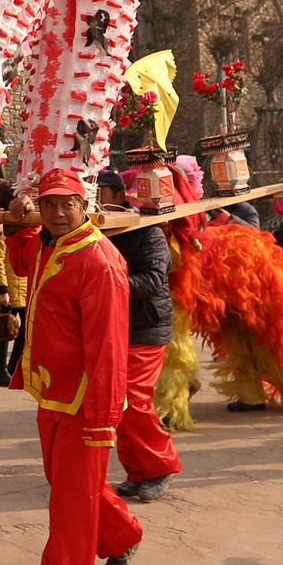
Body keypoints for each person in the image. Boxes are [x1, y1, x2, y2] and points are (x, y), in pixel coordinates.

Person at [4, 168, 141, 565]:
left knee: (70, 498)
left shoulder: (99, 262)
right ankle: (123, 535)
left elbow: (109, 346)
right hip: (52, 390)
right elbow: (23, 258)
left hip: (88, 398)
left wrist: (104, 418)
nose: (59, 213)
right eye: (49, 205)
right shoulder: (50, 246)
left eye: (68, 204)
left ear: (86, 207)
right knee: (68, 484)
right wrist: (17, 222)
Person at [96, 171, 181, 502]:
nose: (97, 198)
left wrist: (108, 284)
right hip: (113, 329)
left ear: (119, 196)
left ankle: (161, 466)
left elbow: (153, 282)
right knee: (117, 404)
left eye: (102, 191)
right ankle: (138, 470)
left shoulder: (148, 233)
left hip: (145, 328)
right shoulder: (98, 233)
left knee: (135, 400)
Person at [0, 182, 30, 387]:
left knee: (24, 331)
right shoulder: (1, 225)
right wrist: (1, 290)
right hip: (8, 287)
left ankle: (13, 367)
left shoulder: (24, 223)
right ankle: (0, 370)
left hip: (24, 286)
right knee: (3, 330)